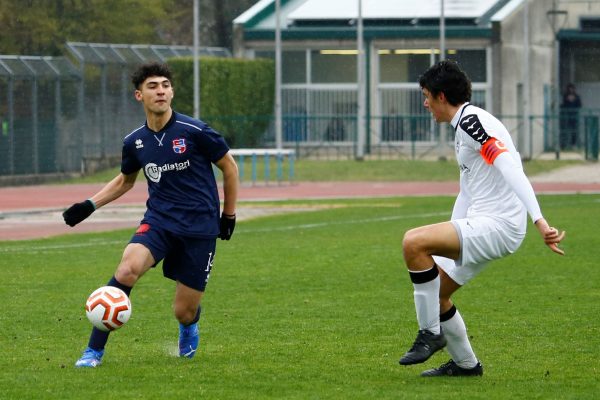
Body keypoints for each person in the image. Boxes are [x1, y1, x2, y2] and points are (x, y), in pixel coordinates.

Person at [63, 62, 239, 368]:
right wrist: (89, 205)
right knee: (126, 270)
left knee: (182, 310)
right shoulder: (134, 142)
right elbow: (125, 181)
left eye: (165, 85)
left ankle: (189, 326)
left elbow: (229, 166)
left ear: (172, 92)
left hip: (199, 228)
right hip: (159, 222)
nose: (161, 91)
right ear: (138, 95)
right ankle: (93, 352)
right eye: (153, 86)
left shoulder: (195, 131)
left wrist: (229, 215)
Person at [398, 60, 565, 377]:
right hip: (488, 223)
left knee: (412, 242)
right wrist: (452, 228)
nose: (425, 103)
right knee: (438, 293)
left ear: (442, 96)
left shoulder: (473, 123)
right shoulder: (463, 126)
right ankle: (466, 365)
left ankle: (429, 333)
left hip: (497, 226)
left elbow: (509, 167)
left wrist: (539, 219)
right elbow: (468, 189)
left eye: (426, 96)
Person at [560, 83, 582, 149]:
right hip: (566, 115)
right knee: (565, 130)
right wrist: (567, 100)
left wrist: (574, 101)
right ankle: (564, 144)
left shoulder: (577, 96)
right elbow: (564, 105)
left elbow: (579, 105)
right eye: (570, 88)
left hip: (574, 115)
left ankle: (573, 144)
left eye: (572, 88)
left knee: (574, 130)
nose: (571, 90)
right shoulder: (565, 96)